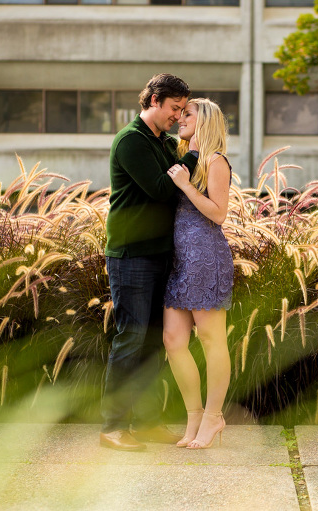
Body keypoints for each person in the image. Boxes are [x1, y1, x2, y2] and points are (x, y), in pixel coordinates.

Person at [100, 74, 192, 451]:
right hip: (131, 255)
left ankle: (148, 422)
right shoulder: (130, 141)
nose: (178, 115)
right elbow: (159, 188)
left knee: (156, 342)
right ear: (153, 100)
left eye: (184, 110)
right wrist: (195, 154)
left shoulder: (167, 143)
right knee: (131, 338)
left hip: (161, 254)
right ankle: (112, 428)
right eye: (174, 108)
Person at [163, 98, 233, 449]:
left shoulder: (214, 161)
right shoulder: (180, 158)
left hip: (205, 257)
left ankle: (213, 417)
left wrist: (187, 186)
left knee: (210, 339)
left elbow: (219, 215)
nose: (180, 119)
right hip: (177, 261)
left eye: (187, 114)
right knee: (173, 341)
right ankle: (193, 415)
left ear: (204, 121)